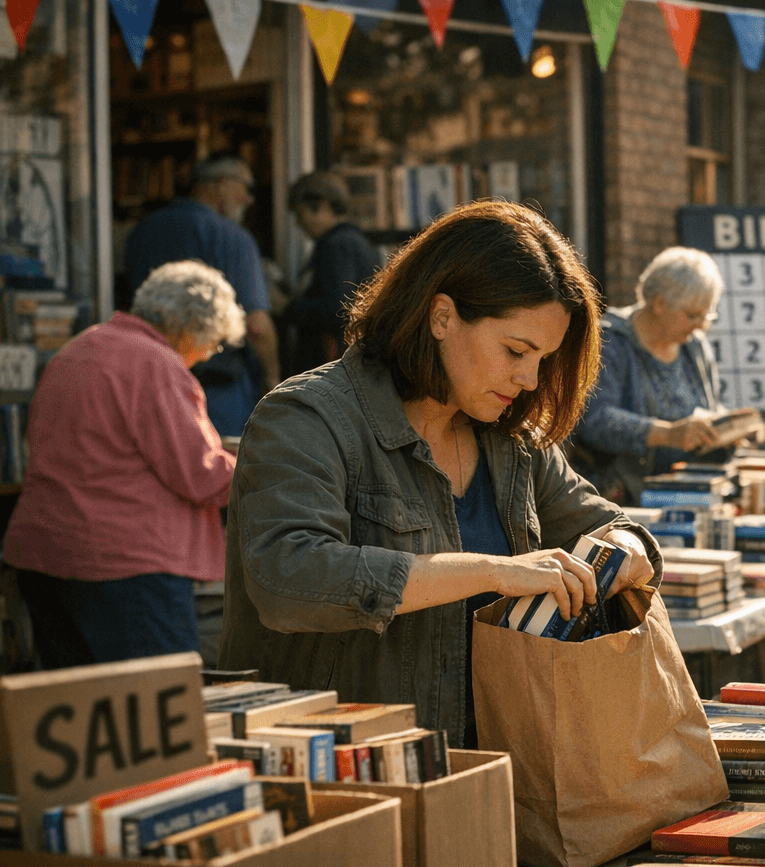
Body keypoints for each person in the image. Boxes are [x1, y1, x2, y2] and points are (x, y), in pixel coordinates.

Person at [219, 201, 662, 748]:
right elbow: (287, 579)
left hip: (496, 767)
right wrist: (493, 571)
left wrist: (624, 543)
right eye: (516, 350)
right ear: (442, 316)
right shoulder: (306, 417)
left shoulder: (511, 437)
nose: (529, 378)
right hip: (348, 773)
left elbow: (602, 520)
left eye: (544, 359)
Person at [4, 261, 242, 667]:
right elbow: (200, 475)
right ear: (191, 329)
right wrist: (269, 470)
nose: (207, 355)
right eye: (215, 343)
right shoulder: (157, 365)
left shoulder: (77, 350)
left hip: (45, 556)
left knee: (79, 708)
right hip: (126, 566)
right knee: (157, 709)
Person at [124, 154, 279, 436]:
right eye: (245, 187)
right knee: (222, 468)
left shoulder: (142, 231)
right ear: (220, 185)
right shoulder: (233, 238)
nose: (248, 199)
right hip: (220, 388)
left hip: (145, 381)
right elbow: (257, 326)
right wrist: (273, 381)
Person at [571, 247, 731, 505]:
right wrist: (668, 434)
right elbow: (594, 420)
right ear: (658, 303)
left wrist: (729, 428)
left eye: (707, 316)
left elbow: (709, 408)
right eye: (693, 315)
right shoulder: (610, 341)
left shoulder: (695, 346)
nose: (701, 325)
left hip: (693, 492)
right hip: (623, 500)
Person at [285, 170, 383, 374]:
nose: (298, 223)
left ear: (322, 205)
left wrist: (287, 307)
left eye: (300, 214)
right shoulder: (355, 241)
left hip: (333, 364)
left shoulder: (335, 245)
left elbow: (336, 309)